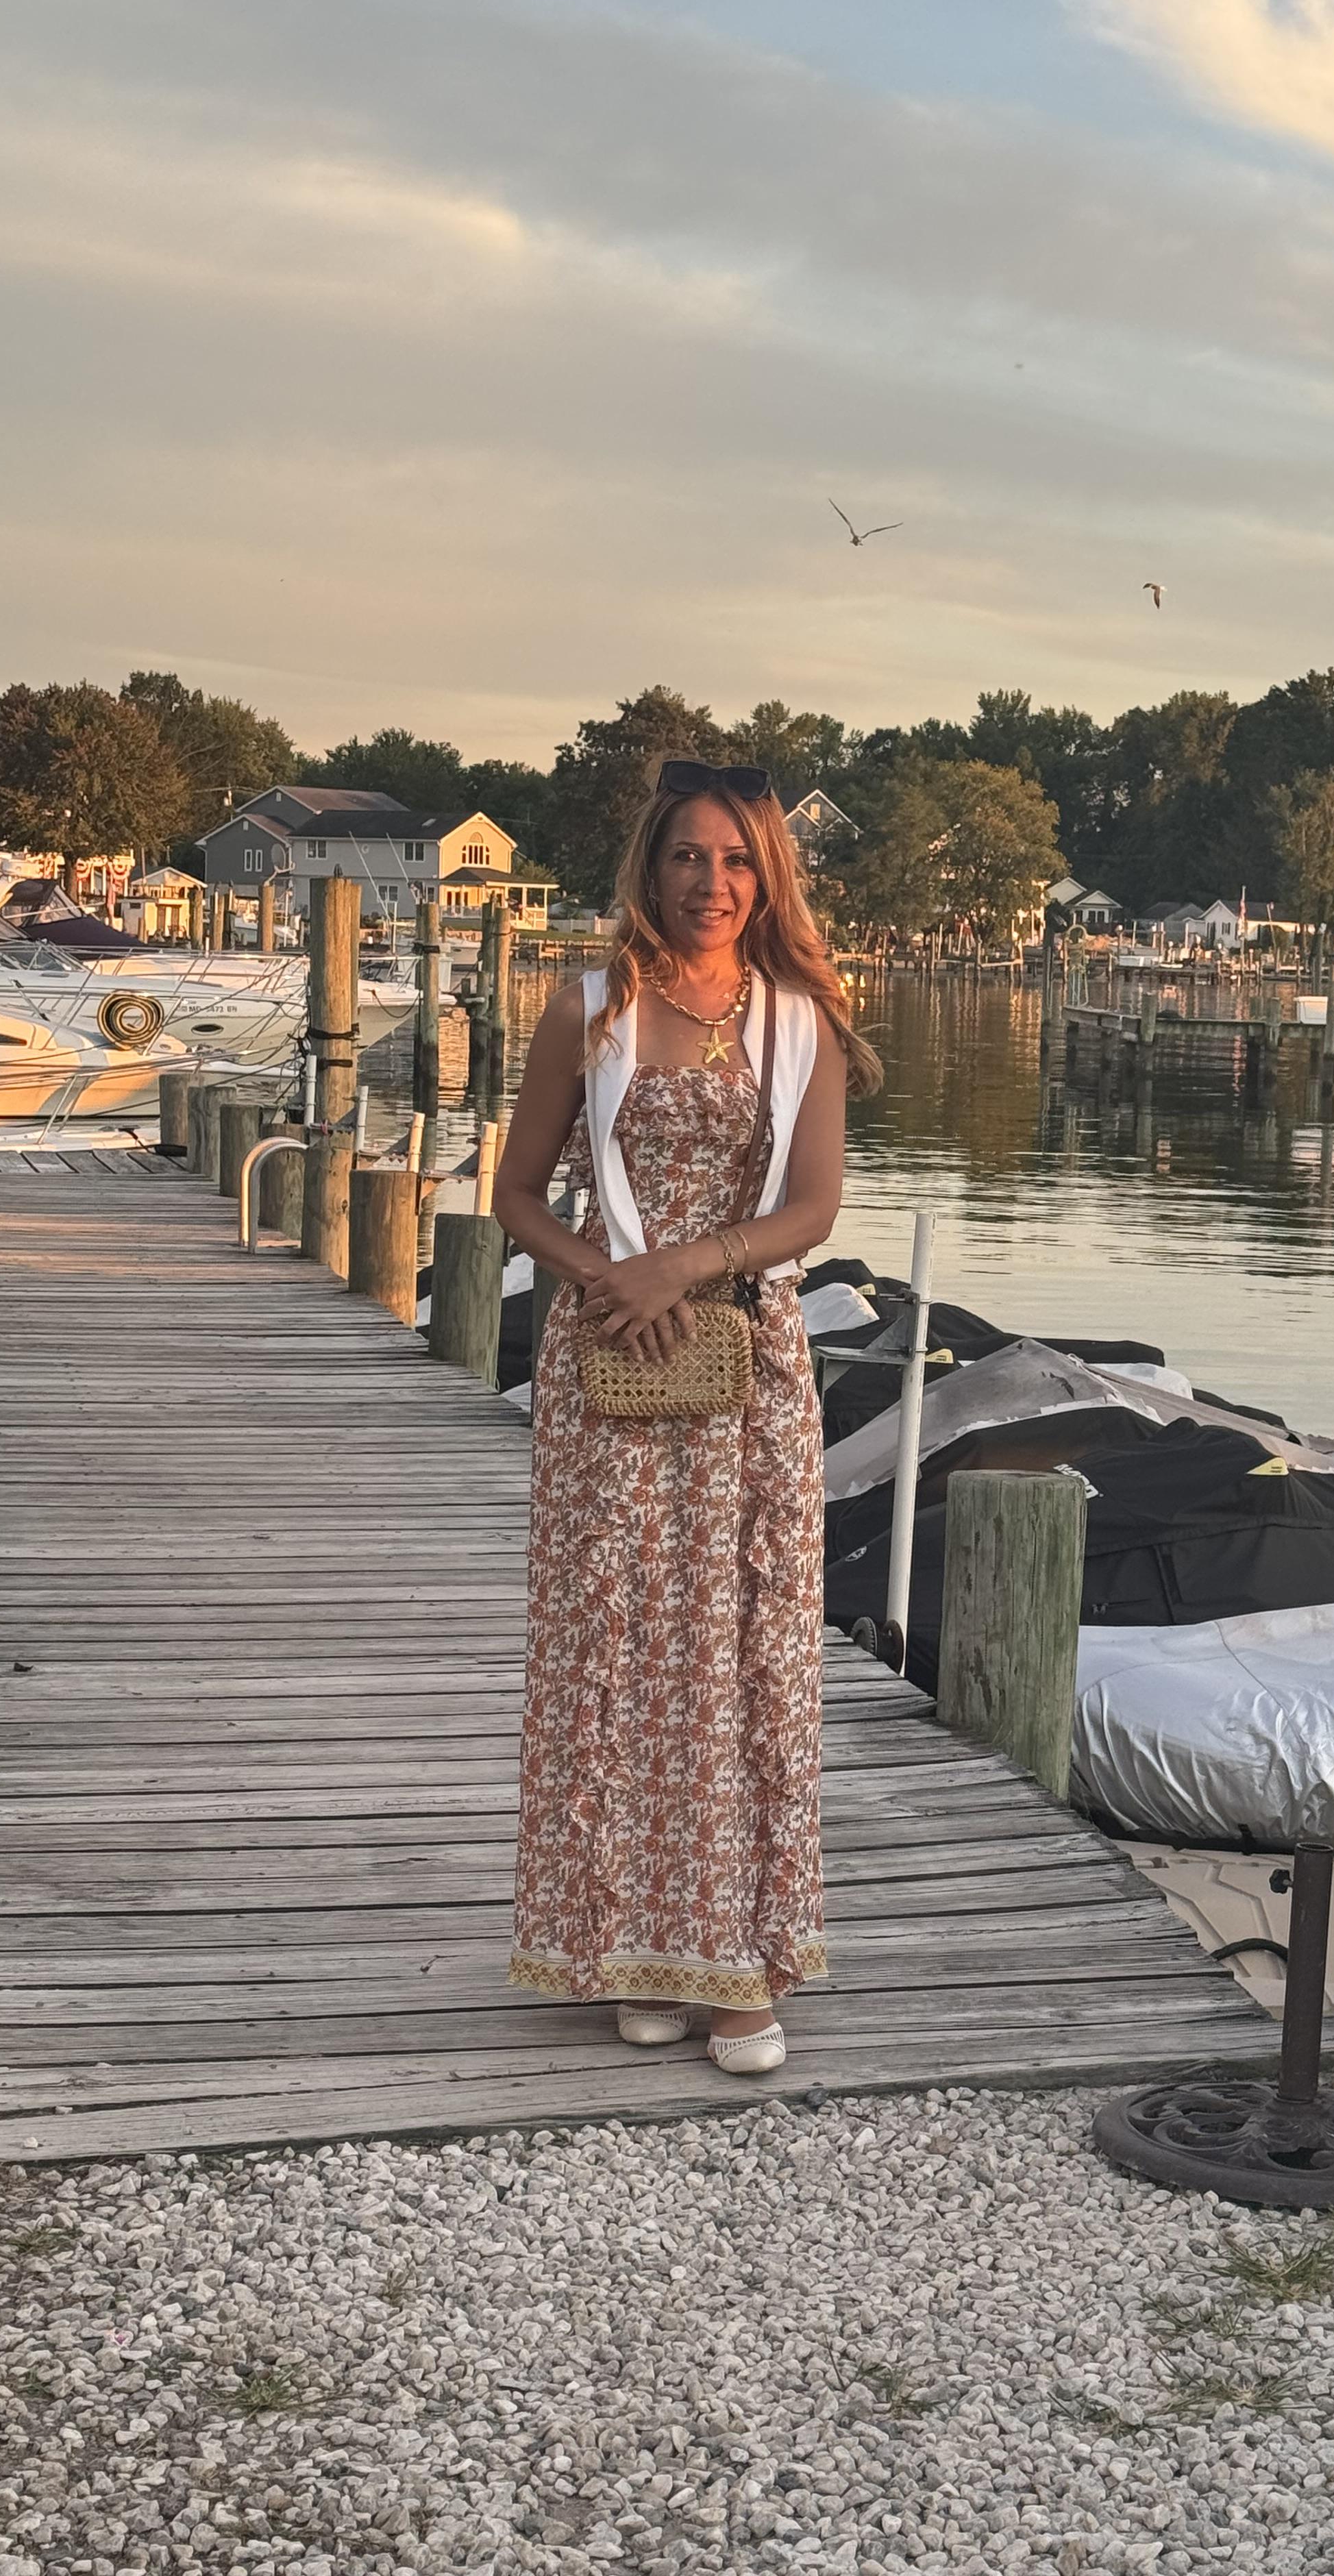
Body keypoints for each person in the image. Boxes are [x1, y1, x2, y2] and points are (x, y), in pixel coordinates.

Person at [493, 758, 882, 2075]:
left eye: (736, 860)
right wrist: (613, 1276)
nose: (711, 883)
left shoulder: (800, 1020)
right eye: (687, 858)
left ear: (766, 877)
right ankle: (635, 1948)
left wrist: (687, 1265)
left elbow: (812, 1208)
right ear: (650, 869)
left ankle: (736, 1967)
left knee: (735, 1658)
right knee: (619, 1652)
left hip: (746, 1369)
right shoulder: (589, 1009)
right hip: (610, 1363)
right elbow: (517, 1196)